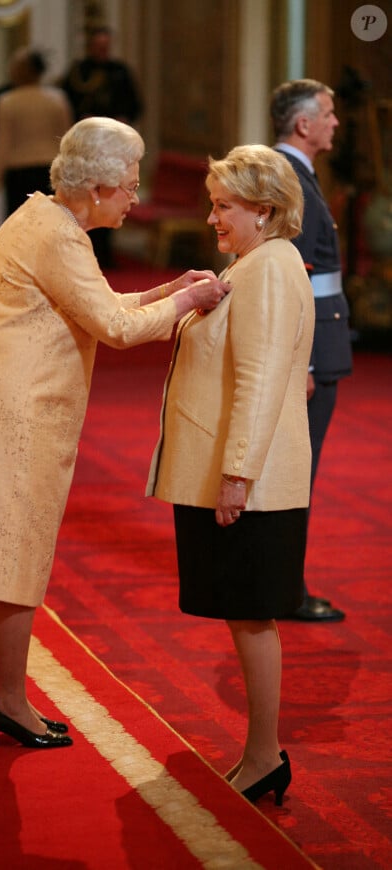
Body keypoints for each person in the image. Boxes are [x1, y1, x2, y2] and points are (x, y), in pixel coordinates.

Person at [0, 117, 230, 751]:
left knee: (13, 553)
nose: (136, 199)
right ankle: (5, 699)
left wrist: (170, 289)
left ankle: (4, 696)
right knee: (12, 555)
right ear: (96, 187)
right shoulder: (56, 236)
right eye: (130, 187)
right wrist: (189, 304)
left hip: (11, 401)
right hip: (13, 410)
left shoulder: (50, 222)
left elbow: (100, 304)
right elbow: (115, 328)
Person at [146, 144, 315, 804]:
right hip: (239, 471)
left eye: (224, 206)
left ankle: (265, 755)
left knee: (251, 615)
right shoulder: (252, 263)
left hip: (254, 480)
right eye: (213, 204)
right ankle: (260, 753)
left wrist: (238, 475)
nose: (212, 217)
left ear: (265, 211)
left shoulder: (268, 270)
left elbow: (260, 377)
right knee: (244, 615)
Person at [271, 79, 353, 622]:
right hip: (313, 353)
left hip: (321, 344)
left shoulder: (292, 174)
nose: (335, 122)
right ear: (304, 124)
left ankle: (283, 584)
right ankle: (286, 590)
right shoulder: (292, 178)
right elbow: (293, 276)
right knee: (296, 474)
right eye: (328, 113)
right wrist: (300, 361)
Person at [59, 27, 143, 267]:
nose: (102, 50)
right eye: (98, 46)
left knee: (111, 197)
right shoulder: (77, 72)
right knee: (86, 197)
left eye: (106, 46)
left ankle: (104, 255)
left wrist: (122, 119)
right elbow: (66, 103)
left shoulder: (120, 72)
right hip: (86, 148)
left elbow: (135, 105)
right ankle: (81, 250)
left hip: (114, 148)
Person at [0, 48, 72, 218]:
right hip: (49, 171)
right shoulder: (58, 99)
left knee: (20, 227)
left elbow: (3, 145)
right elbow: (67, 142)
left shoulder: (6, 101)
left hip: (19, 174)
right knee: (49, 224)